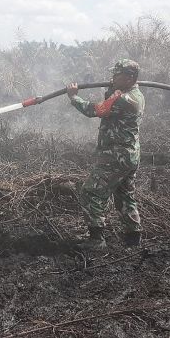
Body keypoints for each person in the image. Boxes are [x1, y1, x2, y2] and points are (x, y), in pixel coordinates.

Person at [67, 59, 145, 249]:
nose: (112, 77)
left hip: (115, 156)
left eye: (117, 75)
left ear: (129, 78)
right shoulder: (135, 94)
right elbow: (110, 101)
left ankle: (96, 240)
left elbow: (96, 110)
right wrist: (113, 88)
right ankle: (133, 237)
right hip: (129, 155)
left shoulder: (125, 100)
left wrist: (73, 97)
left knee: (90, 192)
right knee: (125, 195)